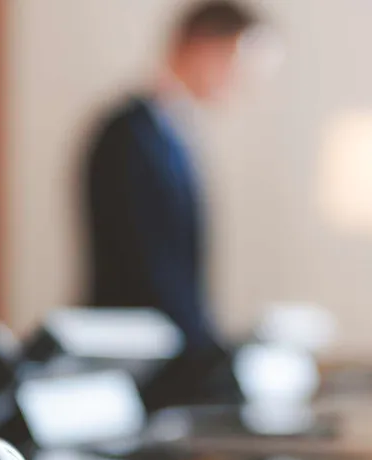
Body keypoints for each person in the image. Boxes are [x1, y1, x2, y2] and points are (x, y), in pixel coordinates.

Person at [85, 2, 259, 402]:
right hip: (140, 363)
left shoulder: (172, 134)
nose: (245, 84)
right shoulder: (128, 136)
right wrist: (203, 359)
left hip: (168, 358)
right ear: (202, 49)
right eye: (240, 66)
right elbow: (146, 268)